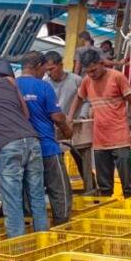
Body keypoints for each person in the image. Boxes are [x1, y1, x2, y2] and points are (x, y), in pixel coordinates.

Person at [0, 64, 48, 237]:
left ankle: (17, 249)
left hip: (8, 145)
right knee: (36, 198)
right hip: (32, 141)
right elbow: (26, 114)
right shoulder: (10, 85)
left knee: (12, 202)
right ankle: (44, 240)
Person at [68, 49, 131, 198]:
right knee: (104, 186)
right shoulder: (87, 81)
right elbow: (78, 98)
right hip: (99, 140)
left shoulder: (117, 77)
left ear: (102, 63)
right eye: (88, 72)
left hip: (120, 138)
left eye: (93, 70)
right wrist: (70, 117)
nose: (91, 74)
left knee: (127, 185)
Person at [18, 52, 74, 225]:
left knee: (30, 191)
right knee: (60, 190)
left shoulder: (12, 85)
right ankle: (61, 225)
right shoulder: (43, 86)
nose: (46, 73)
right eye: (44, 69)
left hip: (23, 149)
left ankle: (33, 227)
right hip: (47, 147)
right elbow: (57, 117)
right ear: (37, 66)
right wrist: (67, 131)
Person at [43, 50, 88, 179]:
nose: (49, 73)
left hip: (75, 126)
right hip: (54, 128)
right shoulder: (45, 83)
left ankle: (90, 184)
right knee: (57, 161)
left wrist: (82, 117)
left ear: (61, 65)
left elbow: (85, 101)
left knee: (81, 159)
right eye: (47, 70)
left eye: (52, 69)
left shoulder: (76, 80)